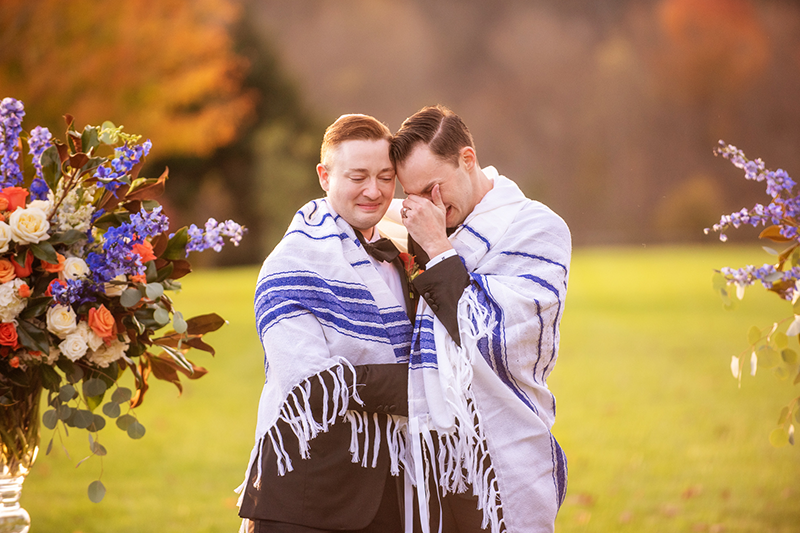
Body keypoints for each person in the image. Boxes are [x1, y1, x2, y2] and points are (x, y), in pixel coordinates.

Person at [390, 105, 571, 533]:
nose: (425, 205)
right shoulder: (417, 225)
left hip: (503, 448)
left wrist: (437, 248)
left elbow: (498, 338)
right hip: (426, 458)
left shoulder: (537, 227)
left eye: (433, 187)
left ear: (467, 160)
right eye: (412, 195)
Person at [237, 114, 417, 533]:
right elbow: (309, 383)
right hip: (307, 500)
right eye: (358, 176)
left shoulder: (397, 253)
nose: (374, 191)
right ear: (324, 175)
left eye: (386, 177)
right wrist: (422, 384)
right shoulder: (291, 265)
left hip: (394, 494)